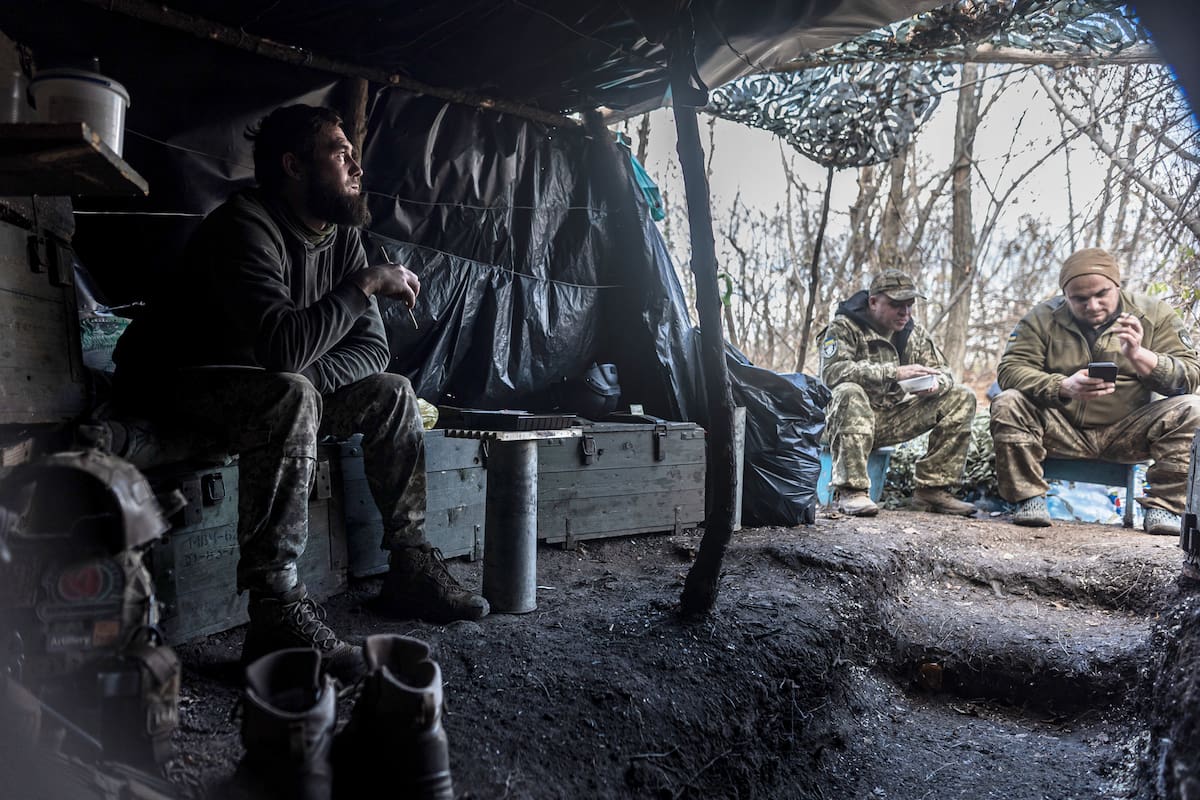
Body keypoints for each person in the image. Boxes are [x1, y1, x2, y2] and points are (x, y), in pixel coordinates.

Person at [111, 104, 489, 680]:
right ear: (293, 165)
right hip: (178, 386)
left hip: (270, 388)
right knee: (289, 395)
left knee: (391, 392)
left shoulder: (343, 240)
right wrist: (363, 287)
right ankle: (274, 610)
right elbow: (282, 349)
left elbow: (373, 352)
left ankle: (410, 564)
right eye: (339, 151)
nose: (355, 163)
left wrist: (307, 380)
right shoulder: (246, 227)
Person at [991, 247, 1200, 533]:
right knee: (1008, 402)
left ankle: (1164, 508)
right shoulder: (1042, 318)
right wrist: (1062, 386)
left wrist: (1140, 356)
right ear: (1065, 296)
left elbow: (1189, 377)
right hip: (1062, 429)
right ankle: (1027, 498)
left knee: (1193, 408)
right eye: (1080, 299)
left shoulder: (1154, 315)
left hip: (1129, 433)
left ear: (1117, 285)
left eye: (1101, 294)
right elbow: (1010, 370)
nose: (1092, 305)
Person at [819, 270, 978, 517]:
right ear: (873, 302)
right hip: (845, 422)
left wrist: (935, 385)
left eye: (909, 305)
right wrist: (894, 373)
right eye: (896, 306)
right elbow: (832, 373)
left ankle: (932, 490)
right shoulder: (844, 327)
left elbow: (945, 373)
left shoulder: (913, 333)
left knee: (961, 396)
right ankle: (851, 491)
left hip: (890, 419)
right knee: (849, 392)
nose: (905, 313)